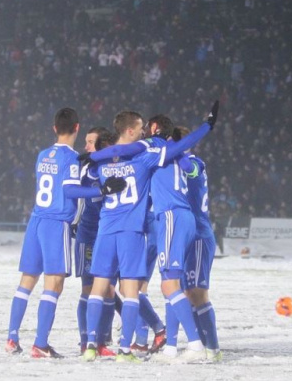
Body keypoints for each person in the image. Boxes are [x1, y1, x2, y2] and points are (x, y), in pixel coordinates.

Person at [82, 103, 217, 362]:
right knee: (135, 289)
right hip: (140, 228)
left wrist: (96, 175)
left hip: (112, 229)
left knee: (102, 287)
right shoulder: (147, 158)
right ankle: (133, 347)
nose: (144, 131)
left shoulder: (104, 163)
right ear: (132, 130)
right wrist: (206, 126)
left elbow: (83, 181)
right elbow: (180, 150)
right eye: (140, 127)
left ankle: (92, 344)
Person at [5, 108, 125, 358]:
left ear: (54, 128)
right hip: (55, 224)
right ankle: (40, 344)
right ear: (77, 128)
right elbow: (70, 191)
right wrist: (101, 191)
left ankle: (12, 337)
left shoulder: (42, 155)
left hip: (36, 220)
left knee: (26, 283)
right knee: (54, 284)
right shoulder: (70, 158)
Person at [74, 127, 122, 357]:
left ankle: (102, 341)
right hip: (88, 236)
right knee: (88, 289)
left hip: (107, 236)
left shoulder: (112, 168)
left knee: (109, 290)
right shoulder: (86, 170)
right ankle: (86, 341)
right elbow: (77, 197)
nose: (87, 147)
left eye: (90, 142)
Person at [175, 125, 222, 361]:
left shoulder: (195, 163)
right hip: (186, 235)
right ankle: (201, 345)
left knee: (199, 293)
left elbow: (188, 169)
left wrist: (175, 152)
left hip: (200, 236)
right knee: (187, 292)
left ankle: (213, 349)